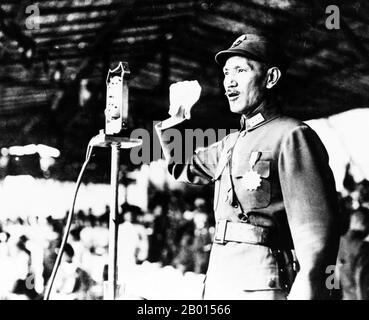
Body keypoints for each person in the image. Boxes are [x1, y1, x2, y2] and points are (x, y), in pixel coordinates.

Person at [155, 32, 340, 300]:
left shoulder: (291, 135)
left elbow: (316, 235)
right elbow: (182, 165)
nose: (229, 81)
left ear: (271, 78)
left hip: (262, 284)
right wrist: (177, 117)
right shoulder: (230, 144)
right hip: (220, 280)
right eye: (226, 73)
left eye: (240, 70)